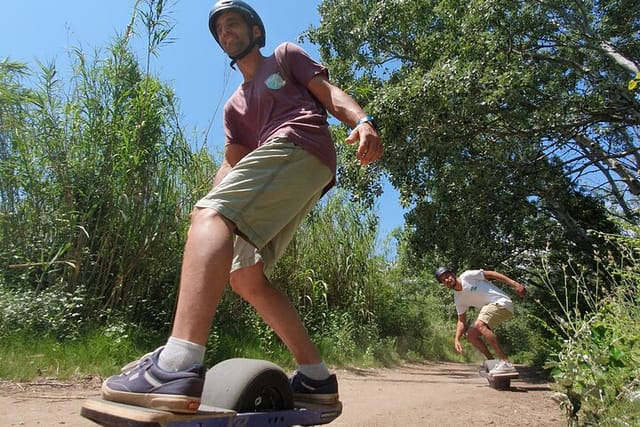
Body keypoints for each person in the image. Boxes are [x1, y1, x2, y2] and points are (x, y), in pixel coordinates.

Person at [100, 0, 383, 413]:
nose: (224, 32)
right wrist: (207, 209)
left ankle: (176, 366)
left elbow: (329, 94)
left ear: (255, 31)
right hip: (296, 169)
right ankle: (316, 378)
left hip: (300, 142)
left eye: (233, 23)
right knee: (246, 278)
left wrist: (360, 120)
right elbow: (233, 162)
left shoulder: (284, 57)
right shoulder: (235, 106)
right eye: (219, 30)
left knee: (212, 217)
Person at [434, 267, 526, 374]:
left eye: (447, 276)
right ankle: (493, 362)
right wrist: (457, 339)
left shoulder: (467, 276)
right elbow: (461, 321)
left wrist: (515, 284)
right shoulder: (458, 298)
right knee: (470, 334)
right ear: (443, 284)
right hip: (495, 308)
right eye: (443, 280)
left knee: (479, 324)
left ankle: (505, 362)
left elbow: (492, 274)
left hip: (501, 302)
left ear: (452, 274)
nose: (447, 280)